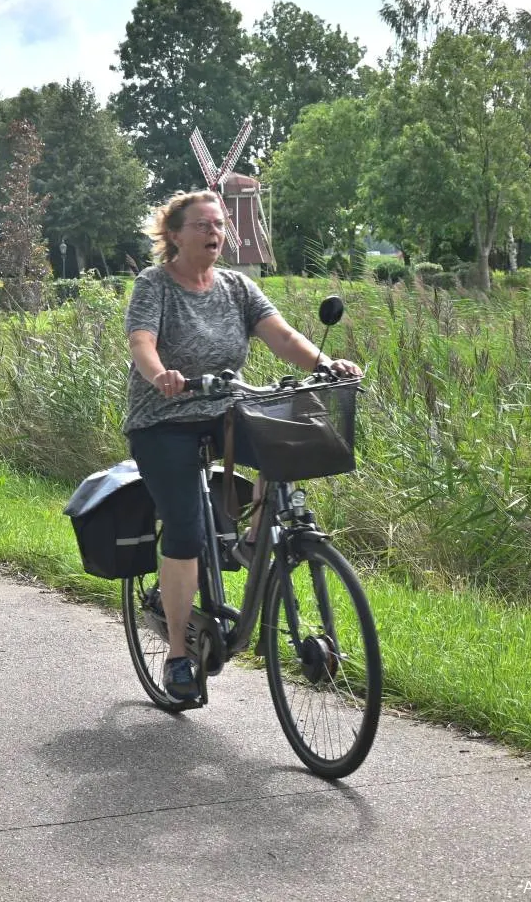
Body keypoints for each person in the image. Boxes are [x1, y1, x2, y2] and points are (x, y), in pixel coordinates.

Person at [125, 190, 363, 702]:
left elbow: (280, 335)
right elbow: (141, 340)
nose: (215, 233)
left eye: (221, 224)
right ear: (174, 234)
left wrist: (323, 365)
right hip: (164, 417)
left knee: (292, 441)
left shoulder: (237, 286)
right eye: (203, 225)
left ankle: (259, 537)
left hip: (225, 411)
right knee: (186, 528)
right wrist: (160, 374)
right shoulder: (155, 285)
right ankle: (178, 655)